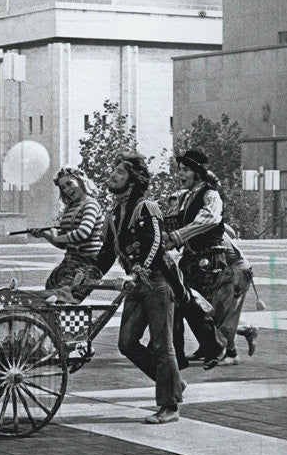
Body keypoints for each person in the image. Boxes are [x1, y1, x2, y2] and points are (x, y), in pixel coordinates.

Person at [92, 154, 186, 424]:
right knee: (127, 343)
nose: (113, 175)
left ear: (132, 181)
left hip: (157, 282)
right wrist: (90, 274)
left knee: (161, 345)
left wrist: (137, 271)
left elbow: (155, 245)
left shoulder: (146, 207)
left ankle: (169, 406)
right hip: (137, 284)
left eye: (119, 172)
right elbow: (108, 251)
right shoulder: (115, 212)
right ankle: (172, 383)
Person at [164, 149, 228, 369]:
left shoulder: (211, 194)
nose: (180, 174)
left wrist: (178, 236)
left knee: (197, 305)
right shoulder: (185, 196)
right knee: (181, 304)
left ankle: (216, 346)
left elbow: (208, 219)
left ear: (197, 173)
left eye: (185, 170)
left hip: (208, 259)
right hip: (190, 259)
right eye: (179, 170)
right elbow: (174, 220)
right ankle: (180, 356)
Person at [27, 166, 104, 302]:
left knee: (60, 298)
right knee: (49, 292)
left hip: (86, 264)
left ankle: (62, 322)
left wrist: (56, 236)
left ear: (80, 181)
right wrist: (45, 235)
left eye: (69, 184)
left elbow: (83, 233)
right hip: (69, 262)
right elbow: (62, 244)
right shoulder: (70, 208)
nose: (67, 190)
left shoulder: (90, 204)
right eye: (63, 187)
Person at [214, 223, 259, 365]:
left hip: (237, 273)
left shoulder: (209, 232)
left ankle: (232, 354)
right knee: (219, 316)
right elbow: (232, 232)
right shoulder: (216, 225)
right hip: (238, 270)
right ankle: (247, 330)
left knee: (224, 317)